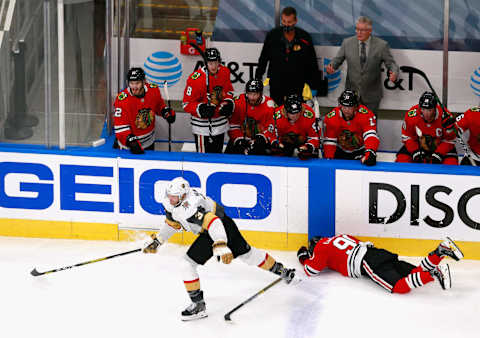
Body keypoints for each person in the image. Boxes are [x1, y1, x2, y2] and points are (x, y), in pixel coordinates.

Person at [142, 177, 298, 321]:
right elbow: (173, 223)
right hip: (207, 233)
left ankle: (281, 270)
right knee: (186, 264)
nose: (170, 199)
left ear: (183, 196)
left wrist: (220, 242)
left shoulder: (192, 205)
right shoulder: (172, 203)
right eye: (169, 195)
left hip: (223, 226)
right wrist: (158, 241)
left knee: (248, 256)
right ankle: (198, 305)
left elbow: (214, 222)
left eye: (174, 196)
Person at [297, 234, 464, 293]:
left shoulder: (320, 247)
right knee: (415, 273)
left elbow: (311, 270)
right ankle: (440, 252)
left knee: (399, 287)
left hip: (367, 263)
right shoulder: (340, 237)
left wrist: (303, 256)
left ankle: (435, 272)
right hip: (377, 253)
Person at [326, 16, 398, 114]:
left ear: (370, 31)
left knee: (370, 125)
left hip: (372, 96)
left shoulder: (381, 45)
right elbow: (337, 59)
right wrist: (332, 66)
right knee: (351, 126)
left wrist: (394, 72)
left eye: (362, 30)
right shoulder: (347, 43)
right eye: (357, 29)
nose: (359, 32)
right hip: (351, 94)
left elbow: (391, 63)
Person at [255, 6, 321, 106]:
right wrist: (258, 78)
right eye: (284, 21)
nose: (286, 24)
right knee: (277, 112)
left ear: (295, 21)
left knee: (296, 112)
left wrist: (314, 85)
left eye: (289, 22)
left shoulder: (305, 37)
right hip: (276, 82)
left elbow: (312, 62)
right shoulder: (272, 35)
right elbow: (263, 58)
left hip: (297, 83)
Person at [183, 48, 235, 153]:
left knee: (218, 157)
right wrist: (200, 109)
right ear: (206, 63)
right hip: (202, 128)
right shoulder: (195, 79)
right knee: (204, 161)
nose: (214, 66)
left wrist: (228, 102)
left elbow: (229, 92)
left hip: (220, 125)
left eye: (216, 62)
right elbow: (186, 104)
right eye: (210, 63)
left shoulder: (225, 72)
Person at [113, 67, 175, 154]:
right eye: (131, 83)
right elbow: (120, 127)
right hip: (128, 148)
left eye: (137, 83)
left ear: (144, 81)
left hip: (149, 142)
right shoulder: (122, 99)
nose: (134, 87)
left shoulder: (153, 90)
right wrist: (130, 141)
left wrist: (165, 112)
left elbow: (158, 106)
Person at [395, 92, 457, 164]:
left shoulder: (446, 117)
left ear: (435, 108)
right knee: (402, 161)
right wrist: (415, 151)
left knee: (451, 164)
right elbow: (407, 136)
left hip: (439, 145)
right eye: (423, 109)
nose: (426, 113)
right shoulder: (412, 115)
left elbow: (450, 140)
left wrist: (439, 153)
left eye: (429, 110)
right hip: (418, 145)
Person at [323, 89, 378, 165]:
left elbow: (370, 136)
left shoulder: (366, 115)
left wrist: (370, 152)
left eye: (349, 107)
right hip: (340, 150)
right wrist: (328, 160)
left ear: (355, 106)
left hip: (360, 150)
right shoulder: (332, 117)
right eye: (344, 106)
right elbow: (330, 142)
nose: (346, 110)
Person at [225, 79, 276, 155]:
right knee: (227, 159)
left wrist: (262, 138)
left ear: (261, 94)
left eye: (255, 94)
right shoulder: (238, 101)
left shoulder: (270, 105)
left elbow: (271, 127)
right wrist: (238, 139)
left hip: (259, 141)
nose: (252, 97)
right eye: (249, 93)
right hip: (241, 138)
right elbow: (233, 124)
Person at [263, 94, 320, 160]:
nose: (295, 116)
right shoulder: (276, 116)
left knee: (309, 156)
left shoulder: (309, 115)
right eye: (291, 113)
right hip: (284, 144)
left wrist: (309, 147)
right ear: (286, 111)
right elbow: (270, 135)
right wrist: (275, 143)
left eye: (297, 113)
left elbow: (315, 136)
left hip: (303, 143)